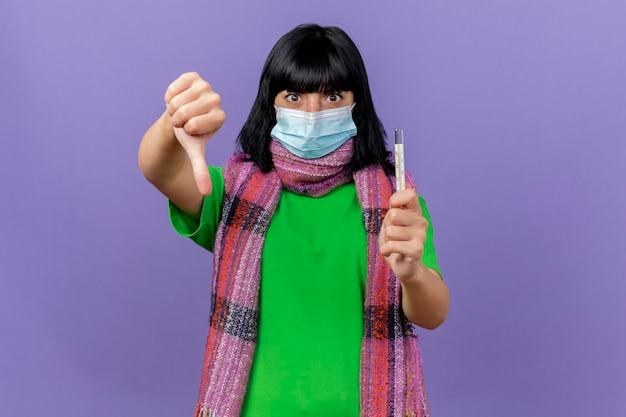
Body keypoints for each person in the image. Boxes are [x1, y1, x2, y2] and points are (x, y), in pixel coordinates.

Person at [139, 23, 449, 417]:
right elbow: (158, 169)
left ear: (357, 104)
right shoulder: (235, 195)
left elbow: (434, 313)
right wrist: (174, 121)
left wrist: (412, 274)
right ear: (272, 103)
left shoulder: (398, 205)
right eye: (295, 96)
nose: (313, 112)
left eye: (333, 95)